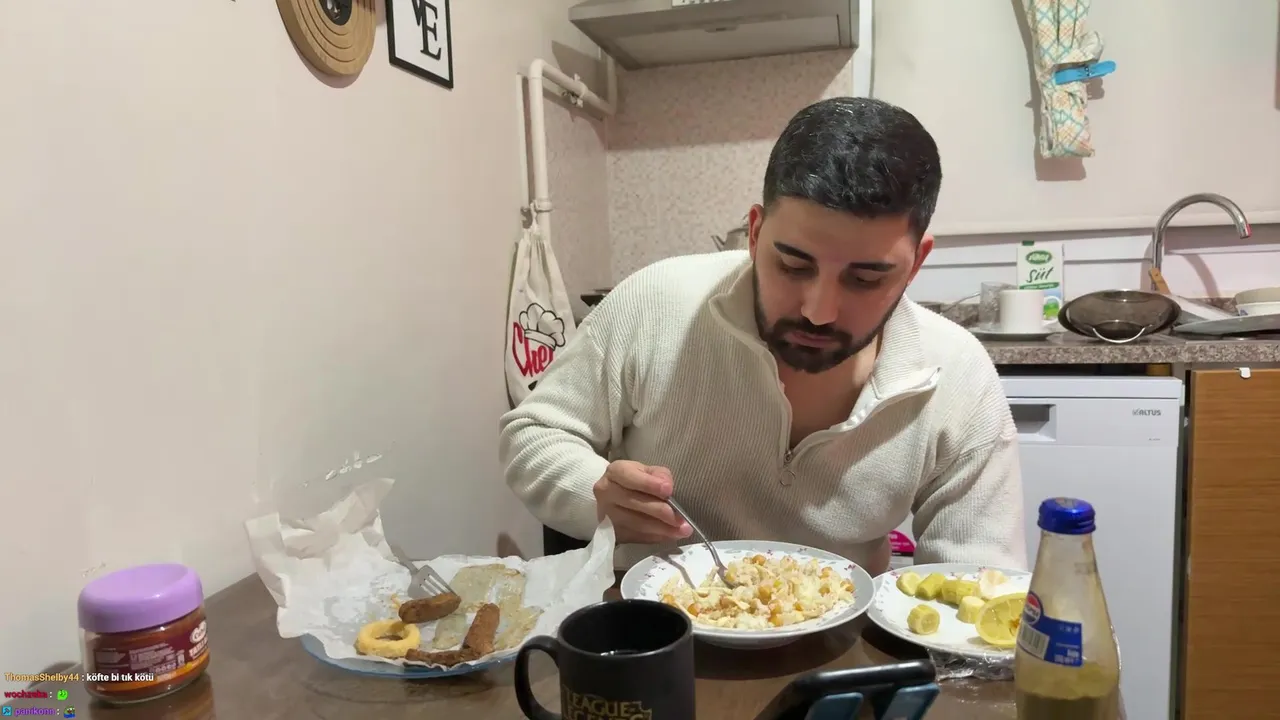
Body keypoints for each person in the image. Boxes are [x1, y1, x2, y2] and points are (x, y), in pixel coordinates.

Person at [499, 97, 1027, 574]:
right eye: (793, 266)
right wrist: (593, 494)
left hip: (841, 637)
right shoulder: (655, 302)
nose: (818, 312)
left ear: (916, 263)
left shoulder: (958, 373)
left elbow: (982, 581)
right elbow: (534, 433)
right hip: (653, 626)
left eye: (866, 279)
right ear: (754, 233)